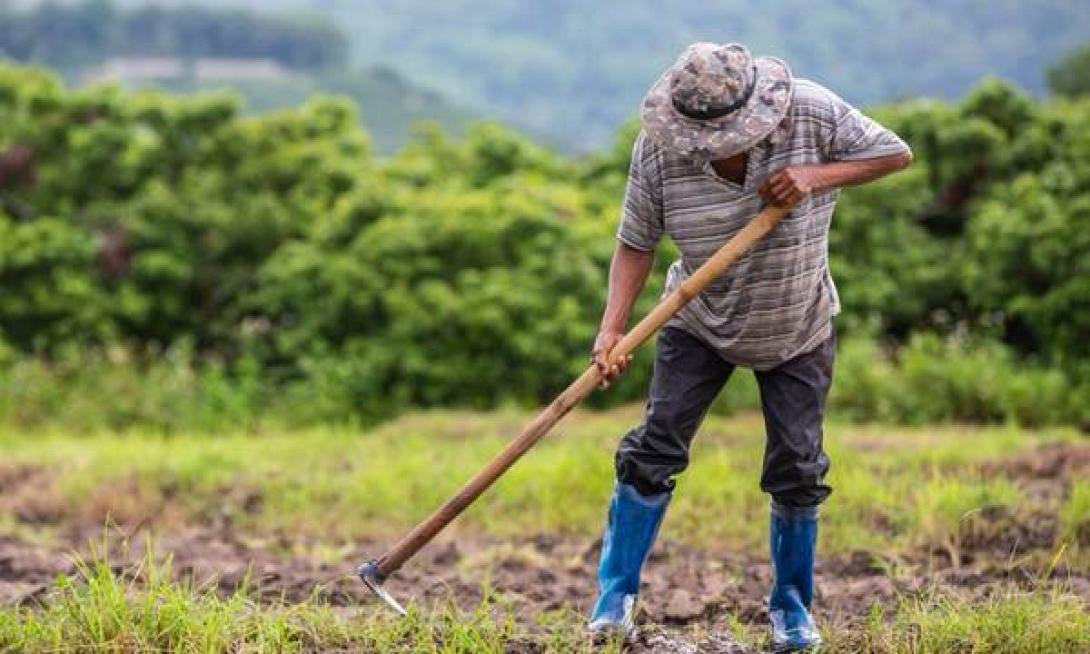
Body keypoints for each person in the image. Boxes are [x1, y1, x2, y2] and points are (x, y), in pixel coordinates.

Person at [587, 42, 912, 651]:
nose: (711, 150)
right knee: (653, 449)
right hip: (697, 317)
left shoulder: (811, 113)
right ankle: (614, 600)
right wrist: (612, 329)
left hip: (798, 322)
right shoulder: (660, 147)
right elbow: (635, 241)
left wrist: (816, 176)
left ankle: (792, 611)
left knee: (797, 466)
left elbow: (894, 153)